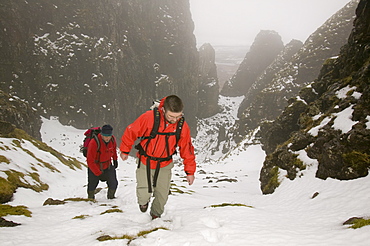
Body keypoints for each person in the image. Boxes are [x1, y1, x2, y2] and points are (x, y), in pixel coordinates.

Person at [120, 95, 196, 219]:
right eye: (171, 116)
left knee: (162, 194)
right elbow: (131, 131)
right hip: (146, 161)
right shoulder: (149, 118)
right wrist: (125, 149)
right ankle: (143, 202)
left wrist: (190, 171)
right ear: (164, 110)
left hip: (165, 164)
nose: (175, 120)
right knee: (144, 192)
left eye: (178, 116)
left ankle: (156, 215)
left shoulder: (182, 126)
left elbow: (187, 149)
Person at [87, 124, 118, 200]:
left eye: (109, 136)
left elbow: (113, 150)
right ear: (101, 134)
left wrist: (115, 160)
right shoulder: (94, 143)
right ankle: (90, 199)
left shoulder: (113, 140)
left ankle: (111, 198)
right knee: (92, 184)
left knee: (113, 183)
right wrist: (98, 173)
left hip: (108, 165)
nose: (107, 138)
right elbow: (90, 161)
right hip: (95, 166)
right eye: (105, 136)